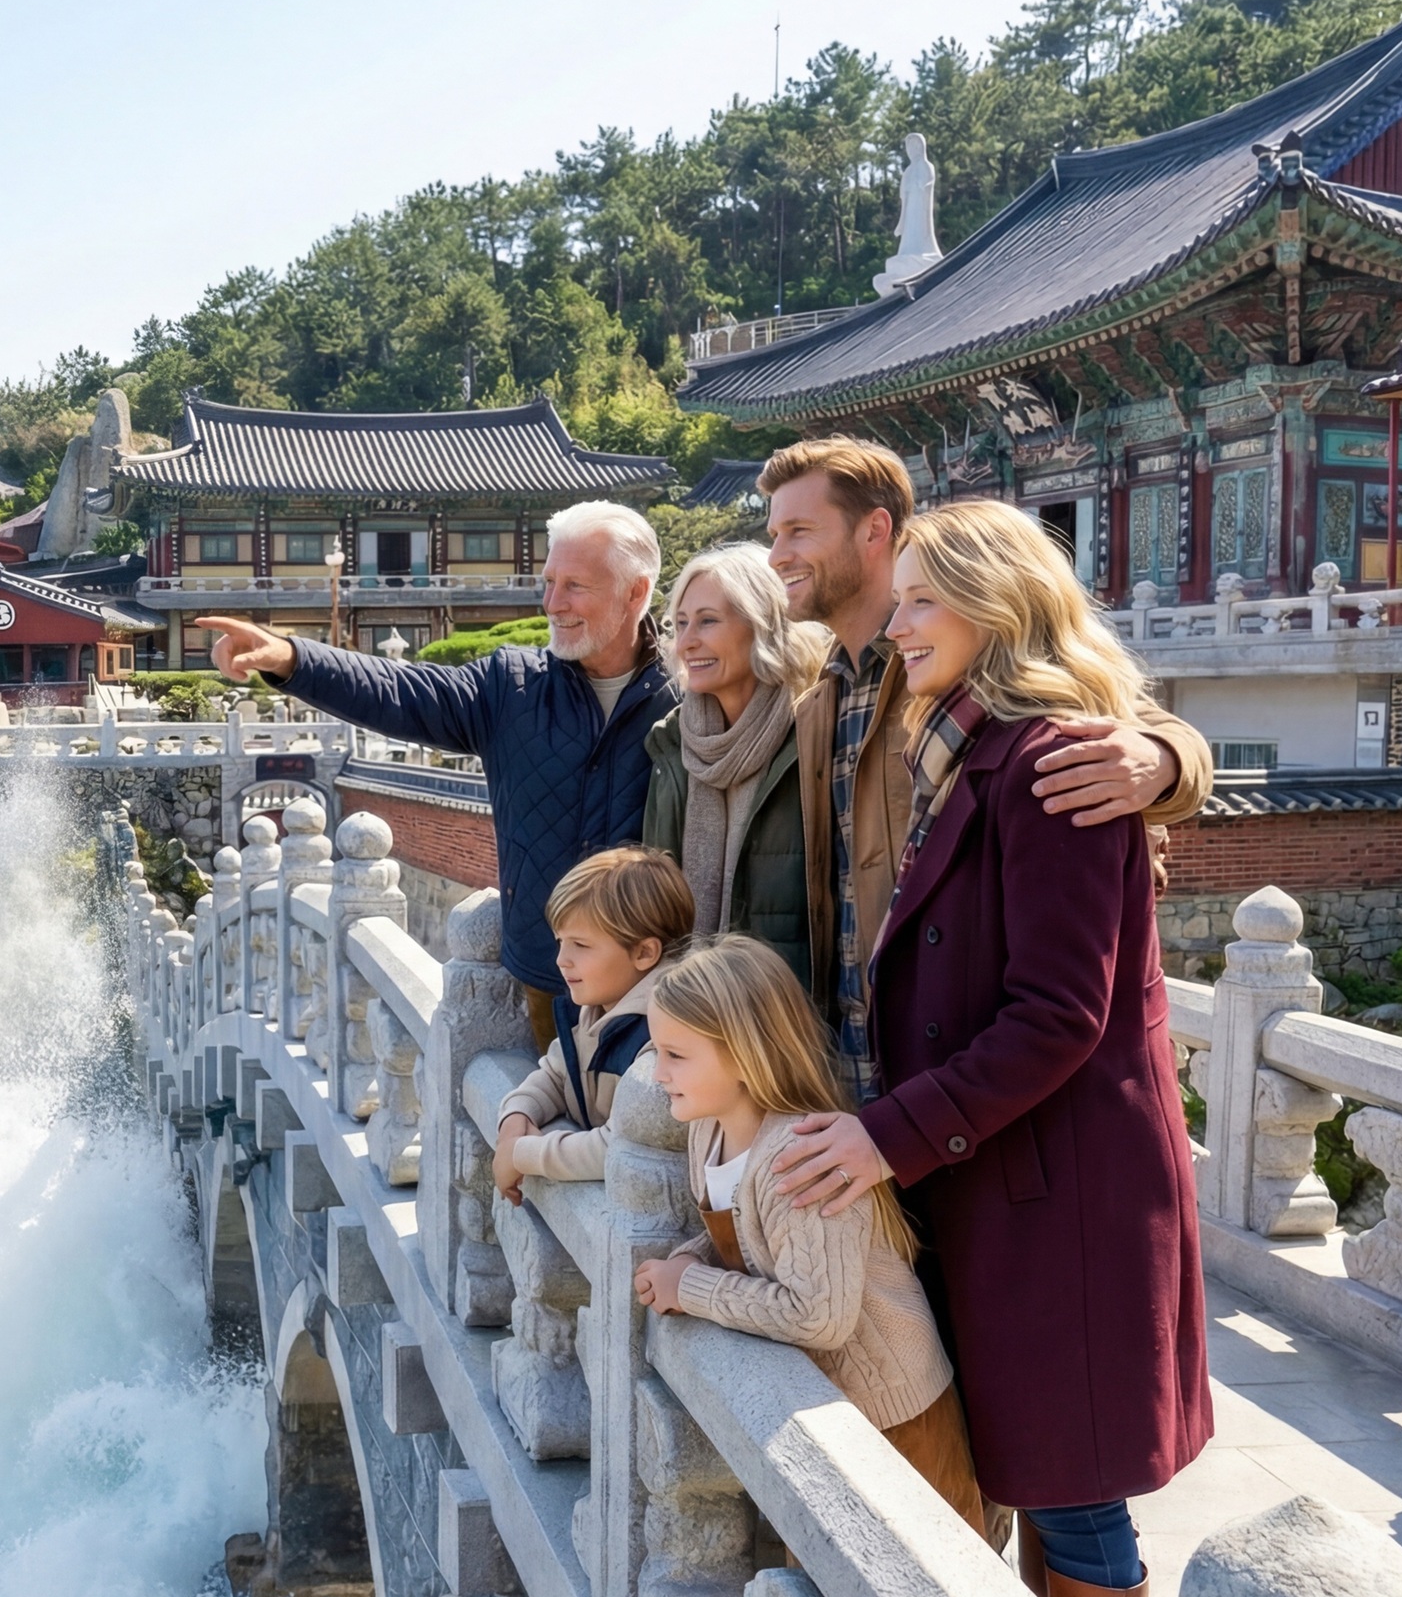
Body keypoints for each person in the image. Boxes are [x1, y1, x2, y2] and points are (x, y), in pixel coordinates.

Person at [769, 499, 1213, 1597]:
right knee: (1026, 1468)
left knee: (1071, 1491)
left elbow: (1059, 1014)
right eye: (897, 596)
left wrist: (880, 1136)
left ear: (995, 605)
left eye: (922, 600)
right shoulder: (969, 744)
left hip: (1058, 1189)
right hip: (1000, 1171)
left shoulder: (1051, 758)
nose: (898, 624)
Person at [755, 439, 1211, 1087]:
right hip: (860, 1067)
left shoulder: (956, 657)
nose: (777, 556)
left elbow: (1107, 710)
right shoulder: (821, 696)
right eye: (773, 534)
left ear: (874, 530)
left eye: (798, 530)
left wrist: (1163, 756)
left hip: (961, 1069)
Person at [196, 502, 672, 1049]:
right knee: (548, 1118)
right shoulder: (512, 687)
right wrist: (290, 657)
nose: (552, 603)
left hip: (662, 986)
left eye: (575, 586)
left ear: (636, 592)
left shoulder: (688, 699)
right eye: (548, 582)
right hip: (551, 979)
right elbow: (402, 691)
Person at [629, 936, 982, 1531]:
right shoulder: (706, 1131)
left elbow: (818, 1315)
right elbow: (745, 1244)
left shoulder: (799, 1157)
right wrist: (686, 1262)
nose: (658, 1073)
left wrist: (688, 1287)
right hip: (826, 1412)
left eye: (676, 1055)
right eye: (656, 1051)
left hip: (895, 1420)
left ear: (744, 1055)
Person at [641, 543, 831, 988]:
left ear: (764, 625)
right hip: (688, 1002)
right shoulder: (672, 745)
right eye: (681, 623)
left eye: (708, 621)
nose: (687, 641)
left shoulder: (816, 732)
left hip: (787, 1010)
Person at [492, 846, 693, 1204]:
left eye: (581, 945)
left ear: (645, 953)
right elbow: (554, 1075)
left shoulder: (667, 1035)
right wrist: (515, 1118)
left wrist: (524, 1154)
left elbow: (622, 1145)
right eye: (560, 942)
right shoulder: (595, 1008)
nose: (561, 960)